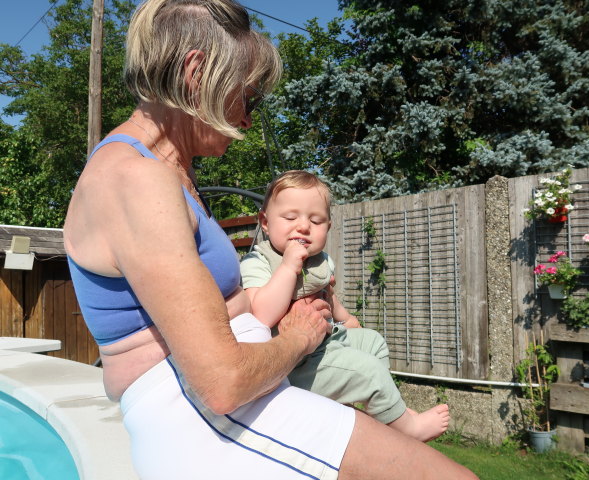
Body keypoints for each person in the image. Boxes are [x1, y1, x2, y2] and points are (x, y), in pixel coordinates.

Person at [63, 0, 478, 479]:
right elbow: (223, 380)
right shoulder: (138, 180)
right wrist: (301, 336)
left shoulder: (165, 171)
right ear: (196, 72)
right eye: (250, 97)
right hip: (205, 419)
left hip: (225, 409)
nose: (246, 120)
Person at [241, 170, 450, 442]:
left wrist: (347, 318)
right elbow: (262, 314)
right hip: (296, 363)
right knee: (369, 372)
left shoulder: (321, 260)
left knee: (373, 342)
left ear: (327, 227)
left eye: (316, 221)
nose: (303, 226)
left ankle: (383, 410)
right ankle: (409, 429)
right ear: (265, 223)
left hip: (328, 342)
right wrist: (289, 267)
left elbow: (328, 295)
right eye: (291, 218)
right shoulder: (259, 260)